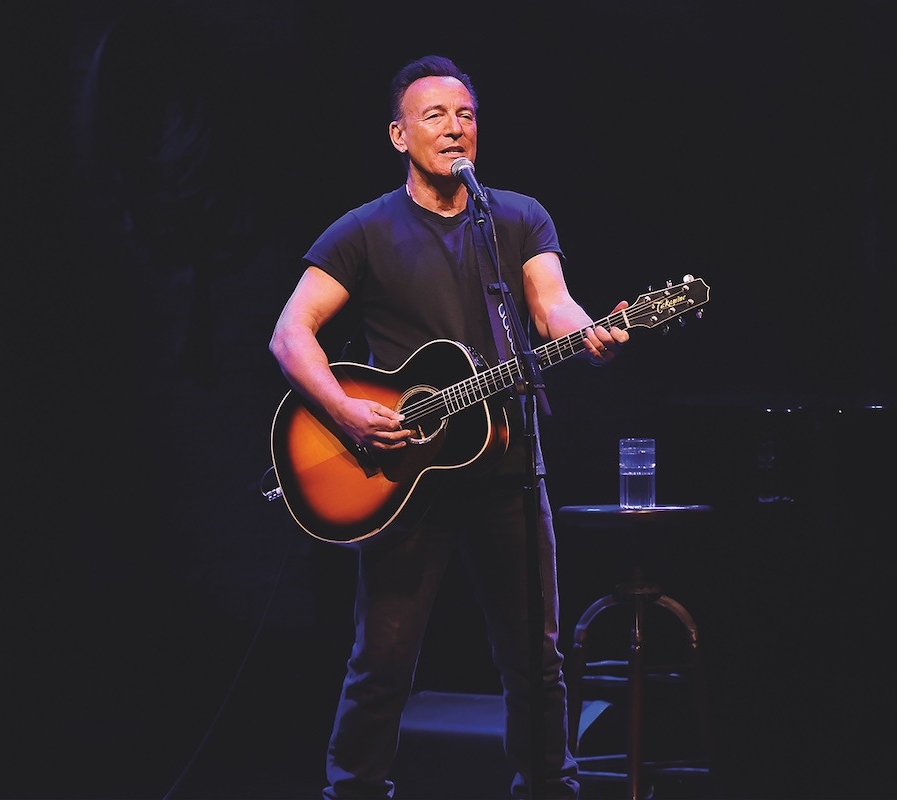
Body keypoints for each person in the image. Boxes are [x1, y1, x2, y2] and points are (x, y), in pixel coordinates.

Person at [269, 54, 629, 799]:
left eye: (465, 114)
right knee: (383, 661)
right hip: (404, 479)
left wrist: (589, 329)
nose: (454, 127)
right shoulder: (363, 231)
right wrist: (347, 413)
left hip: (507, 471)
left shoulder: (518, 217)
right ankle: (355, 789)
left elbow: (550, 307)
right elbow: (290, 334)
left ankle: (548, 786)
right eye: (435, 115)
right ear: (400, 135)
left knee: (538, 657)